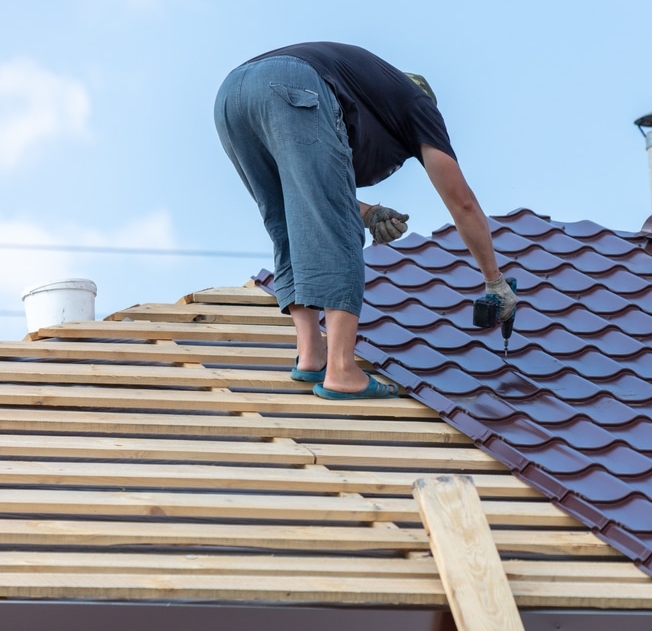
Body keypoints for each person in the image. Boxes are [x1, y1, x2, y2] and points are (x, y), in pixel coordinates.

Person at [214, 42, 516, 400]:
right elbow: (462, 203)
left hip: (231, 97)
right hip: (292, 85)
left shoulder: (364, 94)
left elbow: (312, 191)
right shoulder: (417, 104)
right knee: (339, 230)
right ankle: (342, 370)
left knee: (286, 222)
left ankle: (311, 355)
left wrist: (370, 212)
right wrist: (494, 281)